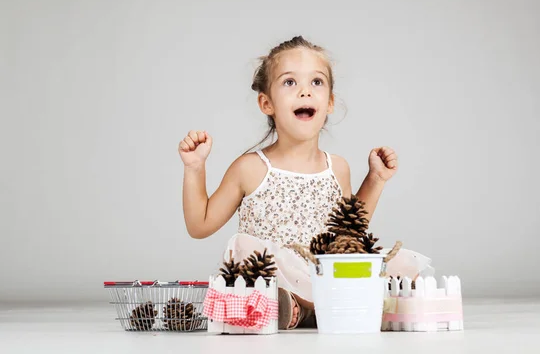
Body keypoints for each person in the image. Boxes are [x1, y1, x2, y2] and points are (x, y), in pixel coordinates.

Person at [178, 36, 433, 330]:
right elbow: (200, 225)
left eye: (316, 82)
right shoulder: (250, 167)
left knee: (395, 263)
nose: (304, 92)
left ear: (330, 103)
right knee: (245, 248)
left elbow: (348, 232)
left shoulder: (337, 167)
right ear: (266, 103)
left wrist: (375, 179)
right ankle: (305, 307)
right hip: (277, 275)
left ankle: (309, 309)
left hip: (326, 272)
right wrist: (195, 167)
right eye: (289, 83)